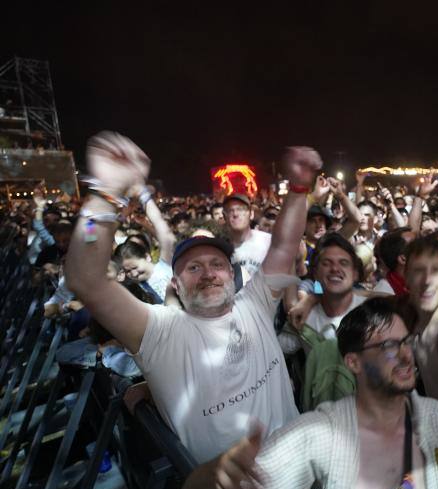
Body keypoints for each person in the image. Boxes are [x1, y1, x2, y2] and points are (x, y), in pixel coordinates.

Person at [65, 132, 320, 463]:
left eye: (217, 264)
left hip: (296, 477)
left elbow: (285, 244)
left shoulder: (255, 303)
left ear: (233, 274)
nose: (209, 273)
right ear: (176, 285)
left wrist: (299, 189)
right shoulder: (160, 331)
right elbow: (86, 280)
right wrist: (105, 194)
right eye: (193, 268)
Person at [178, 298, 438, 489]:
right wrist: (218, 473)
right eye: (387, 347)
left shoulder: (433, 417)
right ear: (352, 362)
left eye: (406, 342)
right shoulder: (323, 432)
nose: (405, 355)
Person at [222, 193, 272, 281]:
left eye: (241, 209)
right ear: (225, 217)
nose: (235, 214)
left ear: (251, 214)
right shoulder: (221, 250)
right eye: (230, 210)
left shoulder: (269, 241)